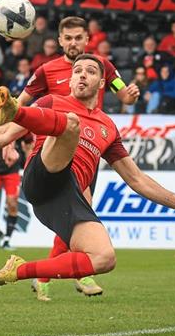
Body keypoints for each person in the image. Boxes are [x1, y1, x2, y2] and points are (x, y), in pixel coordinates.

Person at [0, 58, 175, 295]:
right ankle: (16, 111)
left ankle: (19, 270)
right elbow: (5, 134)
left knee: (104, 258)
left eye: (90, 71)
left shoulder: (108, 127)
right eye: (77, 70)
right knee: (71, 123)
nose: (81, 74)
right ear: (69, 80)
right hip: (41, 175)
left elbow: (136, 178)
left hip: (66, 198)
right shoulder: (53, 101)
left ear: (102, 83)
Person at [16, 16, 139, 300]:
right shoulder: (46, 71)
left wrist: (130, 96)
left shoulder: (103, 66)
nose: (73, 43)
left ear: (87, 39)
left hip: (89, 150)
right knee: (79, 218)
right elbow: (20, 104)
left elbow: (124, 96)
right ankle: (69, 275)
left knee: (78, 218)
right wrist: (8, 137)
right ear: (60, 41)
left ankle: (54, 275)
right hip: (54, 153)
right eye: (68, 38)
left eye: (78, 38)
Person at [0, 135, 30, 251]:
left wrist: (29, 166)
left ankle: (7, 240)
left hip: (12, 170)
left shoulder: (19, 124)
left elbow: (28, 146)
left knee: (12, 204)